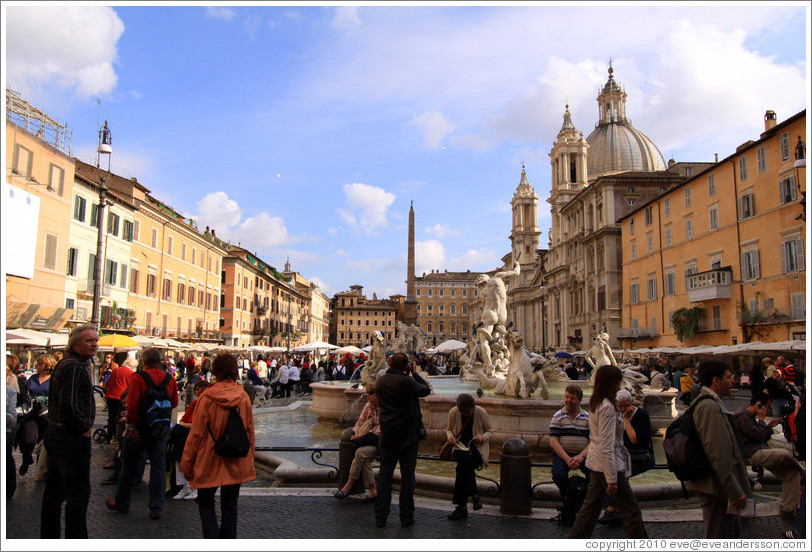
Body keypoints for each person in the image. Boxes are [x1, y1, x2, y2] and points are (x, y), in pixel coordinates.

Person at [180, 353, 256, 538]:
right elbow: (249, 432)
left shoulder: (207, 397)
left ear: (216, 371)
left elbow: (196, 435)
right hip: (236, 457)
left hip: (210, 457)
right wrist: (249, 459)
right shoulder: (243, 397)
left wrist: (187, 464)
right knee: (230, 505)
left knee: (205, 502)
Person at [570, 365, 647, 538]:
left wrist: (624, 418)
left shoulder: (596, 403)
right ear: (612, 382)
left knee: (589, 511)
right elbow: (607, 445)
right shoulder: (607, 408)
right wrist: (612, 479)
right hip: (608, 466)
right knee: (631, 511)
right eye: (619, 381)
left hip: (597, 464)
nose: (621, 385)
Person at [105, 347, 179, 520]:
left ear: (144, 362)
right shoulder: (170, 379)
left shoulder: (138, 378)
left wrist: (132, 428)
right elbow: (174, 402)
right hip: (160, 430)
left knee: (128, 465)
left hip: (139, 428)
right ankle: (156, 507)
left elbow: (133, 405)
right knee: (158, 467)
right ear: (160, 361)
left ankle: (122, 502)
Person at [40, 324, 98, 539]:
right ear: (75, 344)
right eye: (89, 340)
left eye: (95, 340)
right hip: (70, 438)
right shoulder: (75, 366)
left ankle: (49, 537)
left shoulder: (69, 363)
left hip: (57, 434)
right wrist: (84, 427)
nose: (94, 344)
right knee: (77, 494)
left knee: (54, 493)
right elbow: (71, 403)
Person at [686, 360, 751, 539]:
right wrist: (734, 490)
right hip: (717, 488)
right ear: (716, 380)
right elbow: (719, 454)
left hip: (719, 485)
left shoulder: (711, 403)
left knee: (728, 533)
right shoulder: (709, 407)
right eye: (729, 377)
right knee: (719, 535)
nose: (733, 381)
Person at [374, 352, 431, 528]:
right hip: (407, 437)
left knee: (384, 476)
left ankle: (381, 516)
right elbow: (425, 390)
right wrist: (414, 373)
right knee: (407, 477)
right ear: (406, 366)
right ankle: (406, 517)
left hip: (388, 436)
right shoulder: (407, 382)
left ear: (390, 364)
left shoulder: (380, 381)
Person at [732, 392, 805, 518]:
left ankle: (788, 508)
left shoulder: (748, 417)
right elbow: (759, 436)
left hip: (759, 450)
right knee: (784, 453)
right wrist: (761, 420)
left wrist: (769, 426)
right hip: (753, 453)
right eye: (767, 407)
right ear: (758, 405)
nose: (768, 411)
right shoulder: (743, 417)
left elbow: (760, 435)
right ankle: (804, 472)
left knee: (792, 474)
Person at [599, 389, 655, 525]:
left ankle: (612, 509)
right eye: (620, 406)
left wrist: (626, 420)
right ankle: (619, 510)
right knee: (610, 473)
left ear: (631, 403)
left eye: (625, 405)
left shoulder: (641, 416)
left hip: (641, 458)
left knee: (618, 476)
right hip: (624, 457)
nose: (623, 409)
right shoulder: (615, 415)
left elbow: (634, 440)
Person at [445, 393, 493, 520]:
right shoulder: (453, 412)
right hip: (460, 447)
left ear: (473, 407)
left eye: (468, 412)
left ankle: (462, 507)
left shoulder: (481, 412)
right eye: (463, 413)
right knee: (464, 463)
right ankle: (474, 495)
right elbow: (449, 429)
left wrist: (482, 437)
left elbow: (490, 431)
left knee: (461, 468)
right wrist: (450, 437)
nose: (466, 414)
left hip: (477, 449)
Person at [475, 260, 520, 374]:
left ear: (480, 283)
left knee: (484, 341)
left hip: (489, 314)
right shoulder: (498, 278)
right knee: (498, 339)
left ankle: (489, 366)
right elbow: (516, 273)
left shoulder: (481, 293)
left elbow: (484, 307)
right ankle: (504, 360)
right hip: (502, 315)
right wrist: (517, 264)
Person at [334, 388, 380, 501]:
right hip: (367, 441)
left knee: (360, 453)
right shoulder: (369, 405)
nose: (367, 395)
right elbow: (360, 422)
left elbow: (381, 431)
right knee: (362, 456)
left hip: (380, 443)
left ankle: (349, 484)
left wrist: (362, 437)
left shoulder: (386, 408)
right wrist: (356, 431)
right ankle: (373, 490)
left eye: (370, 392)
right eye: (367, 392)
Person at [549, 384, 591, 507]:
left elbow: (593, 441)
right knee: (558, 475)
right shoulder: (558, 416)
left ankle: (585, 500)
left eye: (572, 398)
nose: (568, 400)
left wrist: (581, 456)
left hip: (583, 455)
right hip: (563, 455)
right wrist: (567, 459)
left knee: (594, 476)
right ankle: (568, 497)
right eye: (567, 397)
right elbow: (553, 441)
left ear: (579, 400)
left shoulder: (587, 417)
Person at [172, 379, 210, 501]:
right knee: (179, 455)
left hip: (199, 437)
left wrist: (186, 425)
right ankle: (185, 487)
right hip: (188, 435)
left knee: (189, 456)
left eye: (202, 388)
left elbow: (200, 424)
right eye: (197, 389)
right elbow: (184, 419)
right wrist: (186, 425)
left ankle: (194, 487)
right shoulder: (194, 404)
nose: (199, 391)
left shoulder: (208, 404)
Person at [18, 353, 54, 475]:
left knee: (44, 442)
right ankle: (26, 458)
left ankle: (41, 468)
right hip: (32, 412)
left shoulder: (54, 379)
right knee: (28, 439)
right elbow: (26, 393)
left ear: (46, 365)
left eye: (39, 363)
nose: (36, 365)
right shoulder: (33, 378)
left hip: (46, 413)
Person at [103, 356, 134, 445]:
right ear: (132, 366)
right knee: (119, 417)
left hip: (110, 396)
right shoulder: (130, 373)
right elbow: (130, 387)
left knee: (111, 417)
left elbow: (107, 382)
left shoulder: (116, 370)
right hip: (120, 397)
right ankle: (118, 439)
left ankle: (109, 438)